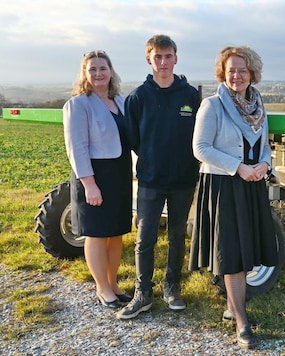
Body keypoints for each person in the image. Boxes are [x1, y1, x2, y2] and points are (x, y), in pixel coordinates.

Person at [188, 46, 277, 350]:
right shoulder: (211, 106)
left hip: (252, 184)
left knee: (245, 249)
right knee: (233, 255)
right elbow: (200, 148)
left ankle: (231, 307)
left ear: (252, 73)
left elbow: (264, 146)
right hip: (224, 185)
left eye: (242, 70)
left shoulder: (258, 107)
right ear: (222, 73)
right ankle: (242, 322)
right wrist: (238, 168)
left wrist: (265, 165)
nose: (237, 75)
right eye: (231, 70)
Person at [116, 34, 200, 319]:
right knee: (145, 237)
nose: (163, 62)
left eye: (168, 56)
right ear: (149, 59)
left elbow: (197, 136)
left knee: (177, 235)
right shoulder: (138, 97)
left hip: (183, 179)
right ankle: (143, 293)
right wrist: (154, 159)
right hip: (151, 180)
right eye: (158, 57)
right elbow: (135, 139)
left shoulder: (190, 96)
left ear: (176, 58)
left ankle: (172, 287)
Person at [62, 50, 132, 309]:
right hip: (94, 175)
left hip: (119, 174)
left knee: (116, 234)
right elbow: (76, 148)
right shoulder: (78, 104)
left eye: (103, 68)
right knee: (97, 234)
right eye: (92, 69)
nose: (98, 73)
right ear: (85, 73)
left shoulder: (120, 101)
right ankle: (102, 289)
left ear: (110, 71)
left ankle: (113, 283)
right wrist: (89, 184)